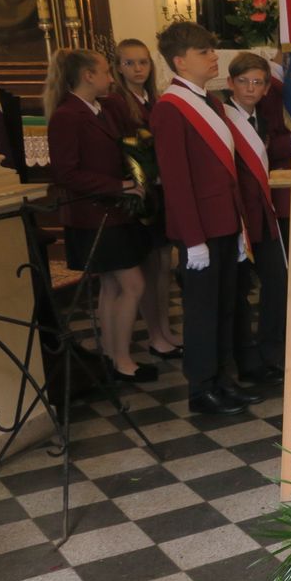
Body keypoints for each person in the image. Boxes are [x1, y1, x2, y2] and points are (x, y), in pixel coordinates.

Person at [151, 21, 260, 416]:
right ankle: (201, 388)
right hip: (199, 230)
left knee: (226, 306)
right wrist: (193, 240)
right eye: (204, 52)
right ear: (180, 61)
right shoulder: (170, 108)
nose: (214, 57)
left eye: (212, 50)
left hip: (224, 222)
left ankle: (223, 379)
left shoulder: (211, 101)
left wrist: (237, 228)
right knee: (201, 312)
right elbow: (177, 182)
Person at [44, 48, 155, 384]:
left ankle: (111, 355)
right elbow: (66, 173)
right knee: (133, 284)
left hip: (113, 213)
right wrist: (118, 186)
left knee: (112, 286)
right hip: (93, 215)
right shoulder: (67, 115)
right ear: (88, 75)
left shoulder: (102, 109)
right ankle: (122, 360)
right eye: (106, 71)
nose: (111, 77)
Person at [102, 39, 183, 361]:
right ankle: (155, 334)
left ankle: (164, 327)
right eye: (130, 63)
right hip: (140, 194)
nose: (138, 69)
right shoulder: (116, 103)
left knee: (164, 264)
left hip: (161, 192)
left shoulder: (155, 99)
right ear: (118, 68)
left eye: (143, 62)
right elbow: (121, 148)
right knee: (149, 266)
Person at [224, 53, 290, 384]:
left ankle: (272, 354)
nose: (250, 88)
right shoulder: (223, 119)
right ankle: (245, 360)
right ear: (230, 84)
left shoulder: (262, 120)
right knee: (238, 290)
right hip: (237, 217)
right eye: (244, 81)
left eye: (257, 82)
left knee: (278, 281)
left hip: (264, 214)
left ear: (266, 88)